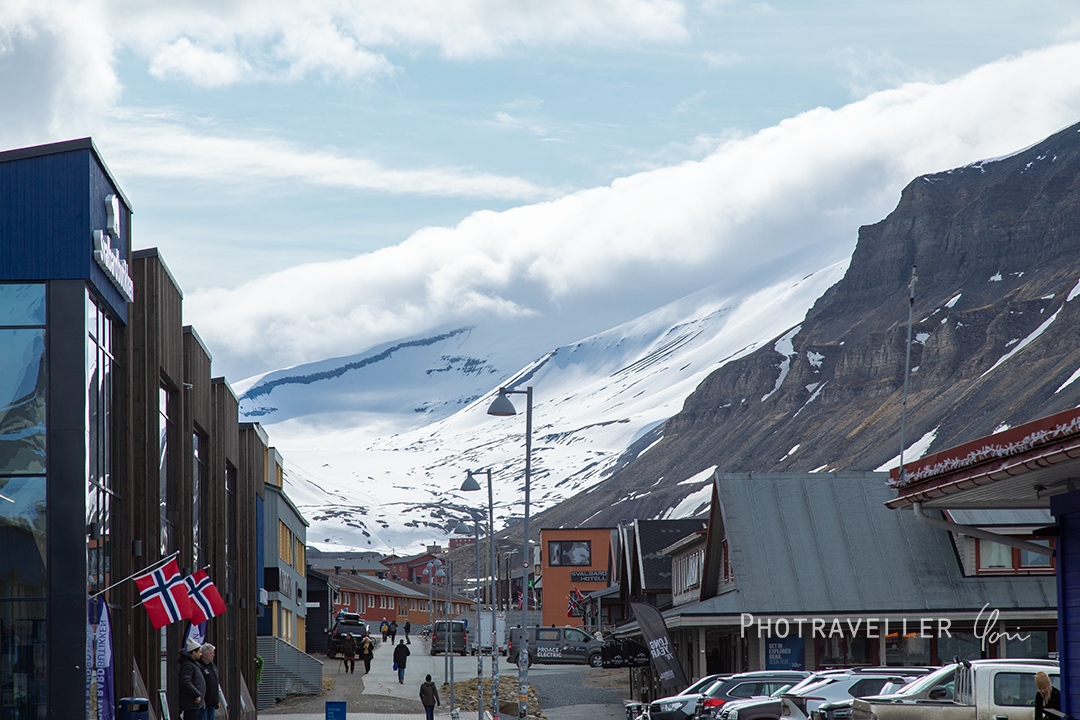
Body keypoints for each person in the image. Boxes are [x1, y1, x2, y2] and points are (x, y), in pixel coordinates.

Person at [178, 638, 206, 720]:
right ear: (194, 652)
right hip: (191, 704)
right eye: (199, 652)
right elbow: (185, 681)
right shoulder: (188, 665)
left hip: (195, 704)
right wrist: (196, 693)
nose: (201, 654)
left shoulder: (192, 664)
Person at [199, 642, 221, 720]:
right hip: (204, 702)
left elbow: (215, 683)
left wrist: (217, 700)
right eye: (210, 653)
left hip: (212, 701)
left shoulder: (212, 666)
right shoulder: (200, 666)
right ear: (204, 655)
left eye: (213, 653)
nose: (213, 655)